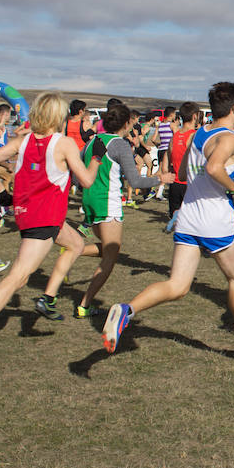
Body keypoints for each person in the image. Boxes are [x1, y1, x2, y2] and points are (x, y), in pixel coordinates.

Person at [101, 82, 234, 356]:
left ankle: (126, 310)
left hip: (190, 217)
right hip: (215, 219)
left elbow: (182, 171)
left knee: (177, 286)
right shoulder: (227, 137)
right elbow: (214, 167)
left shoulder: (197, 134)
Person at [0, 93, 103, 358]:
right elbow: (87, 181)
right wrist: (96, 159)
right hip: (43, 219)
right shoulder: (64, 143)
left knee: (76, 243)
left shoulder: (22, 140)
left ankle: (48, 298)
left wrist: (2, 193)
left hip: (34, 215)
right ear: (58, 116)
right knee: (19, 276)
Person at [74, 104, 175, 317]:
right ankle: (84, 305)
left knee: (106, 248)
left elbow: (77, 174)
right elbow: (136, 180)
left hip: (89, 201)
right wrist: (160, 179)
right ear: (126, 123)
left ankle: (72, 251)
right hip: (106, 203)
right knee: (111, 256)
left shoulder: (93, 141)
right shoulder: (119, 144)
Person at [164, 102, 199, 230]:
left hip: (174, 182)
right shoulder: (195, 135)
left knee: (177, 215)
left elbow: (167, 156)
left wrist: (165, 172)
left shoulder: (175, 136)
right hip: (189, 183)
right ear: (195, 116)